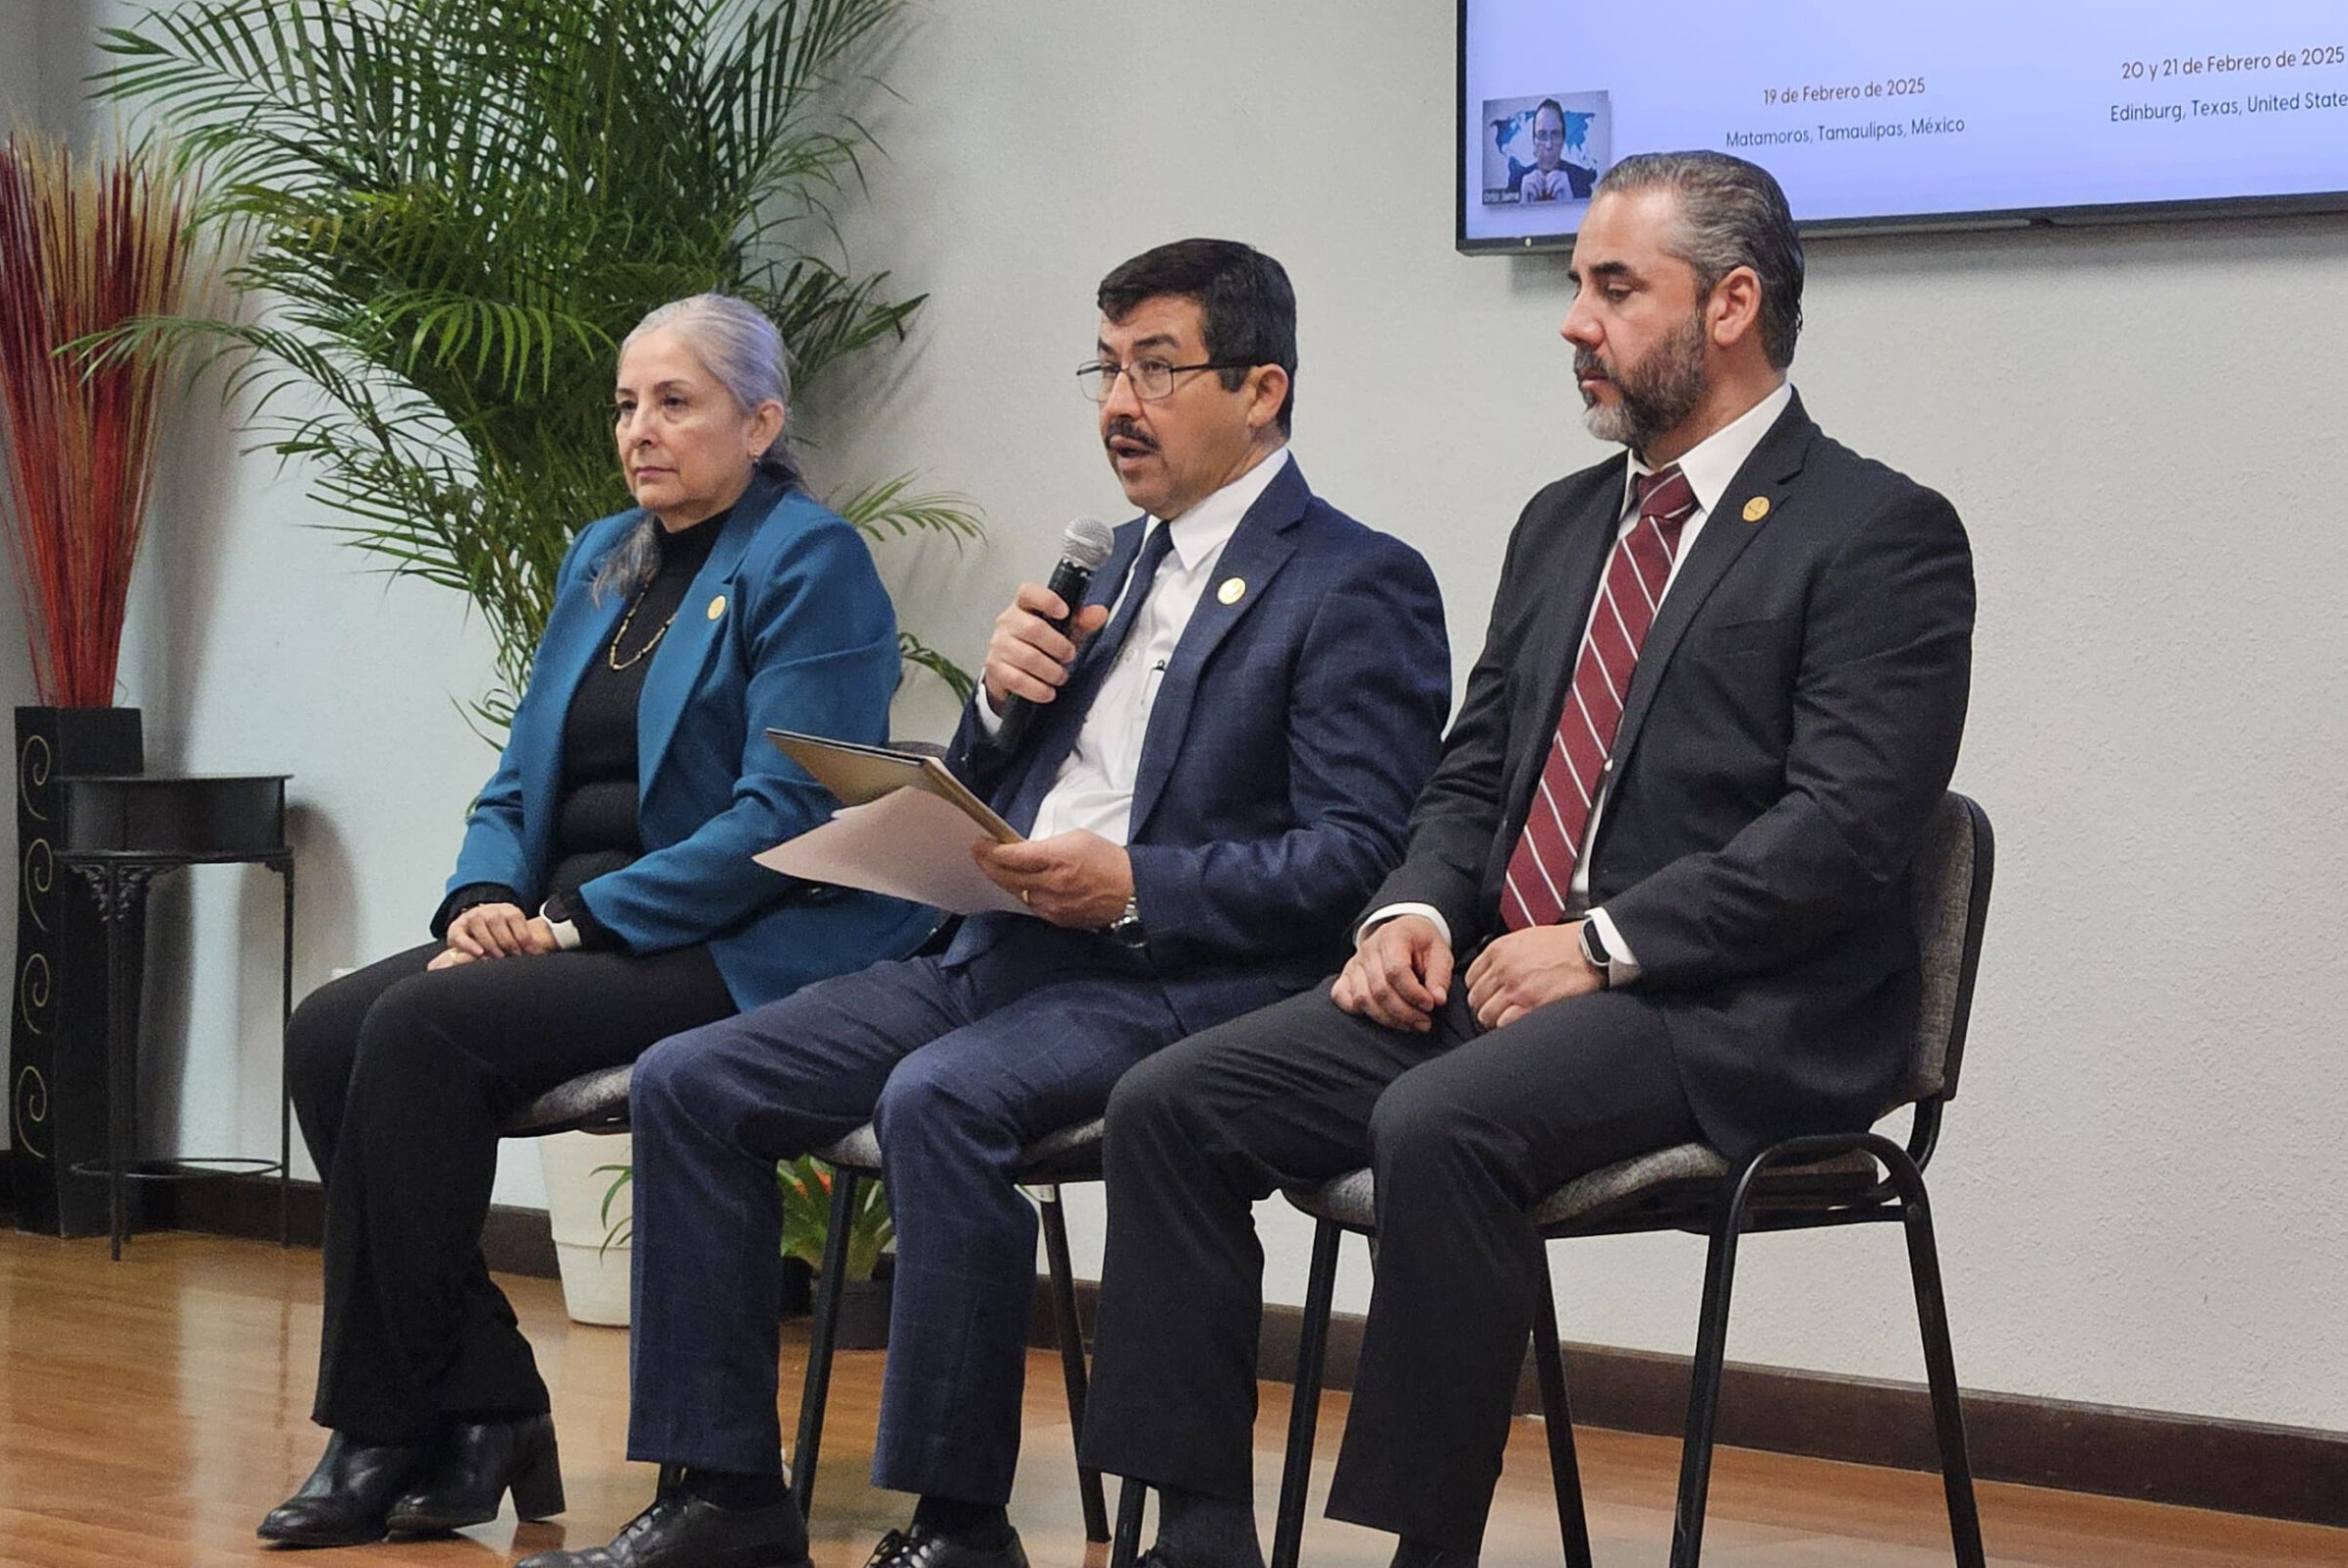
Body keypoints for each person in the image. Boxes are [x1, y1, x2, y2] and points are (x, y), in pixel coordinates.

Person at [1078, 152, 1976, 1568]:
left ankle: (1418, 1546)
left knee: (1442, 1123)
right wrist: (1416, 904)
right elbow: (1475, 767)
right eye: (1576, 285)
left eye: (1615, 288)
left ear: (1732, 303)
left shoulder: (1877, 532)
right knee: (1170, 1102)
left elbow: (1848, 831)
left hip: (1727, 1009)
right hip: (1505, 980)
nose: (1575, 320)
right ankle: (1195, 1536)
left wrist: (1606, 943)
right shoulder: (1565, 522)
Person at [525, 240, 1454, 1568]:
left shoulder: (1354, 580)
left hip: (1171, 979)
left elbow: (1357, 855)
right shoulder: (1107, 566)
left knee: (938, 1099)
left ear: (1262, 389)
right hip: (994, 944)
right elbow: (989, 785)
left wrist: (1135, 884)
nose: (1117, 403)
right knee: (689, 1078)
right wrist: (995, 710)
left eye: (1157, 368)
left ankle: (958, 1520)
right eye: (1106, 367)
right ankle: (723, 1496)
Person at [259, 295, 936, 1548]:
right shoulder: (601, 556)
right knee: (328, 1030)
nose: (641, 430)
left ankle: (384, 1427)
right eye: (627, 404)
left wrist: (573, 920)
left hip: (728, 939)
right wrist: (482, 899)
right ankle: (488, 1403)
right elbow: (521, 779)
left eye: (676, 402)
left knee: (421, 1034)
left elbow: (785, 815)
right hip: (566, 924)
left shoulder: (808, 561)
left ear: (762, 419)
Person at [1517, 98, 1597, 203]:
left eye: (1555, 135)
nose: (1549, 145)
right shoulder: (1517, 181)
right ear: (1533, 141)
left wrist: (1571, 201)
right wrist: (1522, 204)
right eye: (1542, 135)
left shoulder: (1582, 180)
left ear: (1563, 141)